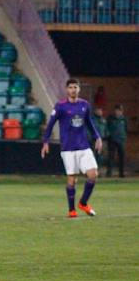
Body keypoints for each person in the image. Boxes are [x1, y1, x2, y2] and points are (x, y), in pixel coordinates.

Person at [41, 78, 103, 218]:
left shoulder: (84, 105)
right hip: (68, 148)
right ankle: (71, 210)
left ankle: (83, 203)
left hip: (84, 147)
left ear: (79, 89)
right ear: (67, 89)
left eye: (75, 87)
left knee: (93, 175)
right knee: (72, 180)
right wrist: (45, 141)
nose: (73, 90)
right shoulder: (60, 106)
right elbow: (51, 124)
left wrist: (97, 137)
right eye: (71, 87)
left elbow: (89, 123)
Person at [105, 104, 127, 178]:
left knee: (122, 157)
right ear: (115, 111)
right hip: (112, 140)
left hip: (121, 140)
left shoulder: (124, 119)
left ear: (122, 111)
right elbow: (106, 128)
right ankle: (109, 172)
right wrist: (109, 136)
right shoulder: (110, 118)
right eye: (117, 110)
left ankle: (121, 173)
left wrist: (124, 137)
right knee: (111, 157)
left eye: (120, 111)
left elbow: (125, 129)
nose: (118, 112)